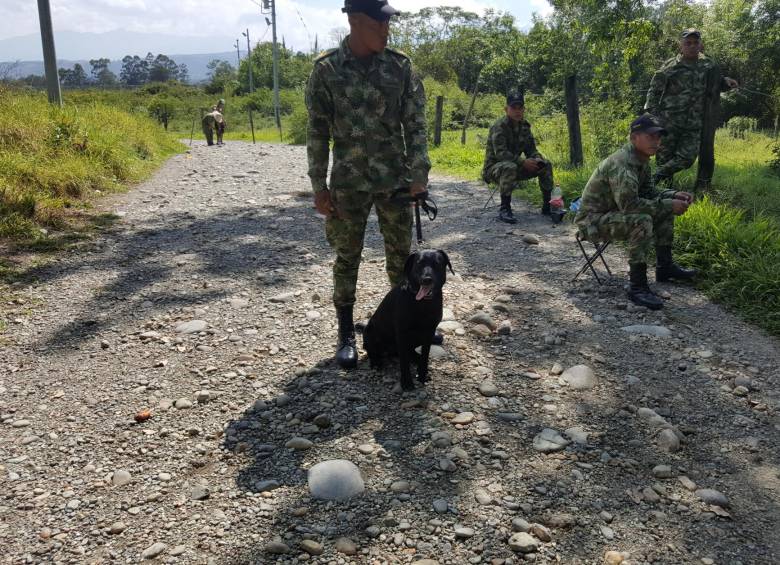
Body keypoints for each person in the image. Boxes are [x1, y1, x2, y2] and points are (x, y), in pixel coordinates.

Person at [305, 0, 431, 369]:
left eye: (388, 23)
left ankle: (405, 323)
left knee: (401, 258)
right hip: (348, 182)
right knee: (347, 257)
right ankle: (346, 333)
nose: (386, 29)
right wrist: (318, 187)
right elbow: (317, 132)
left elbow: (417, 126)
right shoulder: (326, 70)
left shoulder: (399, 66)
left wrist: (419, 174)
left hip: (395, 180)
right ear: (356, 20)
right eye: (380, 22)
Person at [574, 114, 697, 310]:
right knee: (642, 220)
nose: (656, 142)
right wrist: (668, 204)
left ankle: (664, 267)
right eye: (650, 136)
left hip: (611, 215)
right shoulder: (622, 164)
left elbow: (648, 192)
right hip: (591, 222)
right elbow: (630, 206)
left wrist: (673, 195)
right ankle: (637, 286)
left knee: (663, 210)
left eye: (658, 137)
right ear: (634, 138)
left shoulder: (641, 159)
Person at [644, 28, 738, 187]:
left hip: (693, 123)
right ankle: (664, 194)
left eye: (696, 42)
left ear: (700, 44)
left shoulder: (708, 65)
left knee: (687, 159)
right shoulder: (670, 67)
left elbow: (715, 83)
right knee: (664, 159)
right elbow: (654, 91)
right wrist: (654, 117)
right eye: (688, 43)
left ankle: (653, 178)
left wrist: (725, 81)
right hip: (669, 122)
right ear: (681, 46)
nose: (692, 46)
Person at [482, 92, 554, 224]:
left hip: (516, 166)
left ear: (523, 109)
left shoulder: (525, 127)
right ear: (506, 109)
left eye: (520, 108)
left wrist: (537, 159)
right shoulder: (499, 127)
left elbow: (531, 150)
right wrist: (523, 162)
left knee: (546, 164)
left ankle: (548, 205)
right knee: (510, 166)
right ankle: (505, 209)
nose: (517, 111)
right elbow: (501, 154)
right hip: (494, 169)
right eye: (513, 108)